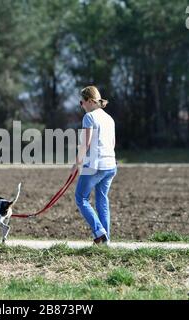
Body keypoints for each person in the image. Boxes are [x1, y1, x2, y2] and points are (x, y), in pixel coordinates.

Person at [72, 86, 117, 245]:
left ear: (90, 101)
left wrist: (77, 163)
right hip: (110, 165)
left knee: (81, 198)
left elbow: (86, 143)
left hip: (95, 166)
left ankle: (99, 232)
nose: (81, 106)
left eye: (81, 102)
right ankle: (105, 240)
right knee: (102, 201)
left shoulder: (89, 117)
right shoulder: (109, 119)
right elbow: (113, 143)